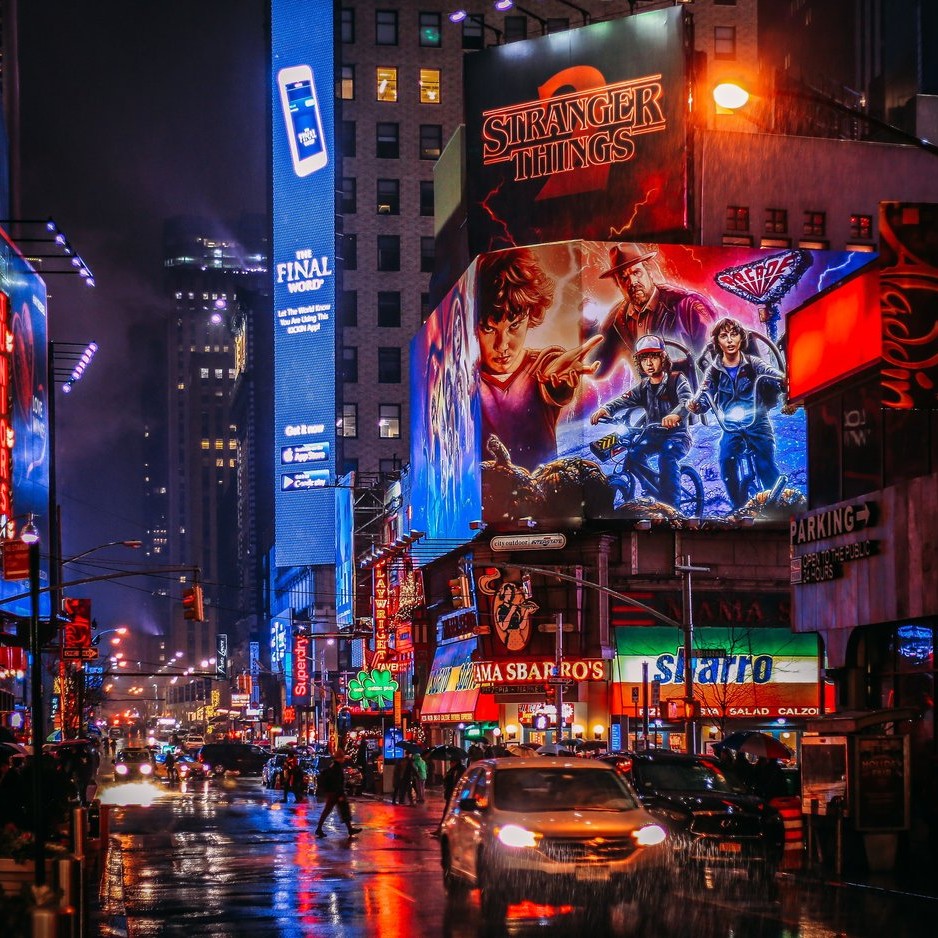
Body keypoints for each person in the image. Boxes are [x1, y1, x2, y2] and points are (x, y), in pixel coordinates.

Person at [476, 247, 602, 472]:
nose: (502, 345)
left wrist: (558, 383)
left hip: (543, 494)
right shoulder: (464, 380)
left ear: (530, 317)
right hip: (487, 501)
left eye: (514, 326)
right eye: (489, 328)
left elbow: (554, 375)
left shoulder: (543, 364)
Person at [688, 317, 790, 509]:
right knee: (726, 461)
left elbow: (770, 372)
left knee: (765, 463)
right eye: (724, 336)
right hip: (731, 425)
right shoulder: (714, 370)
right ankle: (738, 508)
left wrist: (782, 379)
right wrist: (697, 404)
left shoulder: (753, 363)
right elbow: (705, 391)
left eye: (734, 335)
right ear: (717, 342)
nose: (729, 340)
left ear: (741, 338)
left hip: (757, 420)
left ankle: (778, 507)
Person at [589, 333, 692, 508]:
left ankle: (673, 507)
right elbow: (624, 399)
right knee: (634, 454)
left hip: (677, 436)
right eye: (644, 359)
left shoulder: (676, 380)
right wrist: (605, 409)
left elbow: (686, 401)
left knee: (667, 458)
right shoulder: (643, 386)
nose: (649, 363)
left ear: (663, 358)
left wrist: (676, 415)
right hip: (652, 435)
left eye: (653, 357)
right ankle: (651, 490)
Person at [591, 242, 716, 379]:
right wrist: (589, 327)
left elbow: (714, 362)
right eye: (624, 277)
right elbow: (598, 368)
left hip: (689, 395)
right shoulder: (619, 319)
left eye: (636, 272)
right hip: (652, 398)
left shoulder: (688, 306)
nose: (632, 282)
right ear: (618, 284)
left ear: (648, 272)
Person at [315, 750, 361, 838]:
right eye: (343, 757)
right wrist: (340, 795)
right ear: (339, 758)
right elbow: (337, 782)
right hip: (336, 793)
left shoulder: (333, 765)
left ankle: (349, 829)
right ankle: (350, 829)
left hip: (333, 792)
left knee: (338, 810)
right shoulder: (336, 767)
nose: (344, 759)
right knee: (343, 809)